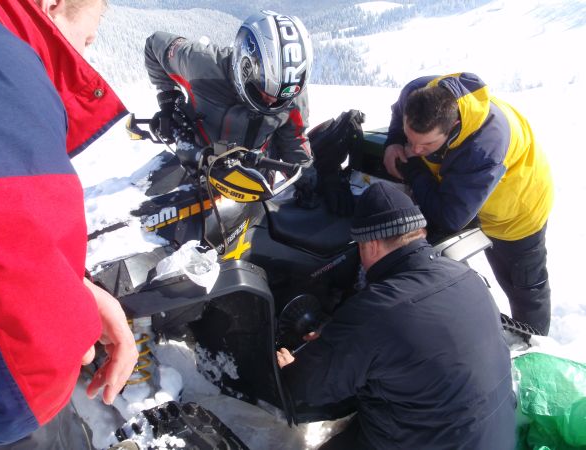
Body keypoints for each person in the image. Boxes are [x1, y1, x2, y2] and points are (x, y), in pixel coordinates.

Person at [0, 0, 139, 447]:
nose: (89, 46)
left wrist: (77, 288)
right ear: (53, 4)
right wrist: (69, 324)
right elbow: (24, 378)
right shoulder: (10, 73)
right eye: (93, 26)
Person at [277, 181, 516, 450]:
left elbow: (305, 387)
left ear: (371, 245)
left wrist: (292, 367)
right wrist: (342, 336)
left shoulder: (374, 311)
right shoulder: (467, 276)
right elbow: (411, 337)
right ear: (419, 232)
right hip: (497, 437)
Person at [382, 72, 553, 335]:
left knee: (524, 288)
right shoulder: (419, 93)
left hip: (516, 213)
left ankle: (535, 344)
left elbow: (450, 217)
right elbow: (400, 111)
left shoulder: (483, 148)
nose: (414, 149)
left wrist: (413, 169)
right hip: (467, 196)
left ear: (454, 126)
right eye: (410, 138)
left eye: (426, 144)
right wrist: (395, 139)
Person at [144, 10, 354, 215]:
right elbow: (154, 44)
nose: (272, 102)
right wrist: (169, 101)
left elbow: (294, 140)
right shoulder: (202, 64)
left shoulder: (292, 93)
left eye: (281, 98)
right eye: (264, 92)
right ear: (244, 67)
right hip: (194, 169)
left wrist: (313, 182)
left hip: (253, 186)